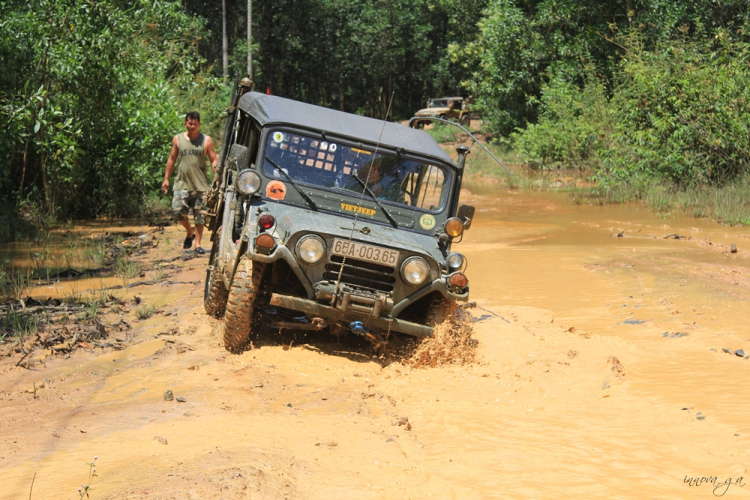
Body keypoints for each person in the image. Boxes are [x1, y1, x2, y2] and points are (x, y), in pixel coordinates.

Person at [162, 111, 218, 253]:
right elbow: (171, 159)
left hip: (201, 185)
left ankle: (197, 245)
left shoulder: (206, 140)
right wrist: (166, 179)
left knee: (200, 216)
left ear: (199, 124)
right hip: (182, 183)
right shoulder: (178, 139)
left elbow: (213, 160)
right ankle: (189, 231)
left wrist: (217, 177)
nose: (192, 126)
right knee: (177, 211)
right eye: (189, 123)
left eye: (194, 123)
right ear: (185, 123)